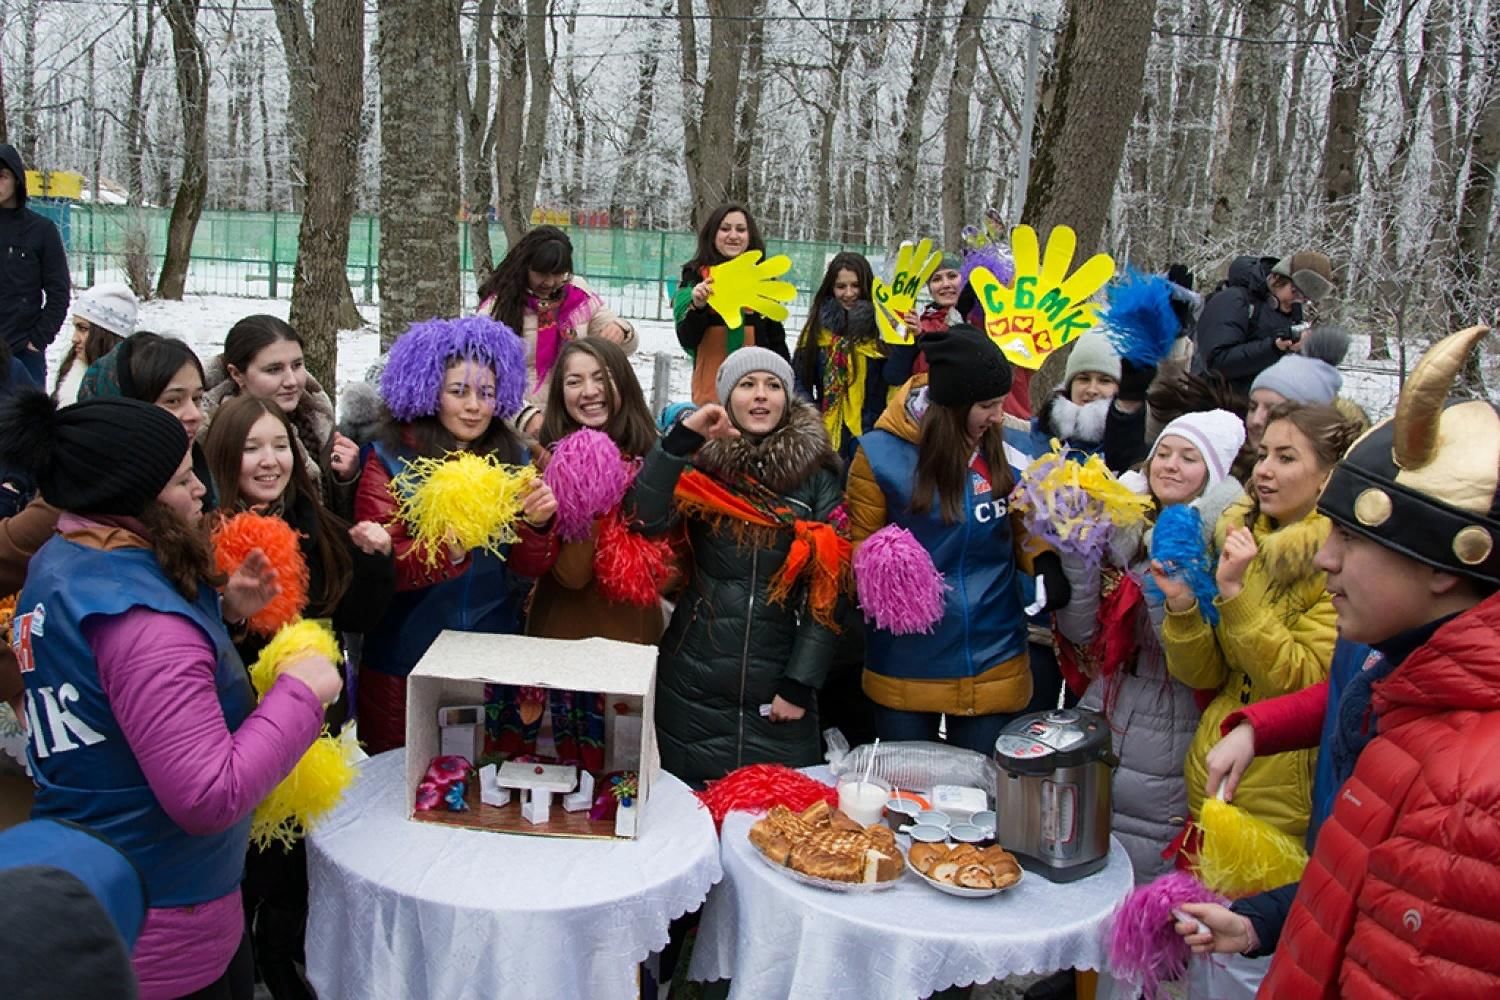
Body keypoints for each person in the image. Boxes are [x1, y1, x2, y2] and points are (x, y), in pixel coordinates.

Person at [1173, 325, 1500, 999]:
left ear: (1442, 567)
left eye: (1349, 537)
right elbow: (1367, 889)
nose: (1326, 557)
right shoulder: (1394, 649)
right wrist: (1266, 920)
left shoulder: (1473, 795)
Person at [0, 391, 340, 999]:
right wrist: (301, 695)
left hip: (98, 875)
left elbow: (113, 697)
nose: (201, 492)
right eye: (184, 481)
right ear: (133, 501)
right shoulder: (144, 627)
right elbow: (208, 794)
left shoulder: (63, 557)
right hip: (167, 922)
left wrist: (226, 612)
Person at [201, 394, 394, 999]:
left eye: (279, 445)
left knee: (298, 870)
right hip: (243, 734)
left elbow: (355, 614)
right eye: (252, 448)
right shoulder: (205, 535)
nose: (269, 461)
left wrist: (373, 560)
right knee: (252, 868)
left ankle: (282, 957)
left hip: (317, 734)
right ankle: (247, 961)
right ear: (224, 458)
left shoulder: (312, 518)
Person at [845, 325, 1071, 753]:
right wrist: (885, 569)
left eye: (999, 403)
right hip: (908, 659)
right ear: (953, 407)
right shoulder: (879, 455)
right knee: (908, 804)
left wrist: (1044, 564)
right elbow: (859, 545)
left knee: (979, 802)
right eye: (987, 405)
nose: (998, 416)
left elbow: (1024, 524)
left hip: (992, 654)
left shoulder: (1002, 446)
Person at [625, 347, 844, 786]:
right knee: (687, 821)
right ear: (727, 400)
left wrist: (800, 682)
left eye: (773, 385)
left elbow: (831, 585)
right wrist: (679, 443)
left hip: (778, 691)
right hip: (692, 685)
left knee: (773, 828)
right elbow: (642, 517)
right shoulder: (703, 464)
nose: (761, 396)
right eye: (747, 385)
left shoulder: (818, 475)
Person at [1054, 410, 1247, 883]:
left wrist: (1172, 586)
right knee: (1081, 853)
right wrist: (1078, 558)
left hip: (1173, 721)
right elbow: (1083, 635)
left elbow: (1197, 665)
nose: (1170, 466)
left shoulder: (1222, 540)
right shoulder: (1124, 525)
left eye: (1189, 458)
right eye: (1163, 453)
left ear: (1216, 473)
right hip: (1104, 705)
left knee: (1143, 862)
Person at [354, 316, 558, 755]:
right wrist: (447, 550)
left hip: (488, 652)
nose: (474, 407)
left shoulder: (515, 456)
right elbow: (381, 571)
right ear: (430, 392)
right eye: (458, 392)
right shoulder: (388, 459)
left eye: (486, 393)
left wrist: (538, 526)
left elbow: (528, 566)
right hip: (405, 659)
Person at [1156, 404, 1352, 852]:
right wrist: (1183, 602)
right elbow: (1203, 676)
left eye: (1286, 458)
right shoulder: (1237, 537)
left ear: (1328, 476)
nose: (1263, 470)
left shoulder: (1335, 561)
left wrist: (1236, 594)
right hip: (1213, 771)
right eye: (1263, 455)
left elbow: (1299, 682)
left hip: (1282, 791)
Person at [477, 225, 636, 433]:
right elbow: (483, 376)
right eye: (542, 274)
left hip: (577, 416)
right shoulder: (497, 308)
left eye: (559, 273)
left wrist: (622, 330)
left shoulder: (578, 294)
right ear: (524, 266)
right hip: (520, 425)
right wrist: (525, 417)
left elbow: (624, 346)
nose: (550, 282)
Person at [200, 315, 360, 511]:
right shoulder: (214, 432)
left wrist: (345, 478)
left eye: (297, 365)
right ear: (236, 374)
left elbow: (330, 519)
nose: (291, 381)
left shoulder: (316, 421)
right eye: (274, 369)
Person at [674, 203, 790, 405]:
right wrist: (698, 307)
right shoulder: (695, 277)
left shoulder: (762, 279)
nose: (733, 235)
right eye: (725, 228)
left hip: (756, 390)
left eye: (741, 229)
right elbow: (688, 340)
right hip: (710, 391)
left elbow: (775, 340)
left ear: (750, 235)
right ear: (712, 234)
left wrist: (785, 384)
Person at [1192, 251, 1334, 394]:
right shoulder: (1234, 299)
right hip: (1217, 405)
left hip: (1257, 407)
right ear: (1277, 277)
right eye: (1294, 291)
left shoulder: (1290, 314)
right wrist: (1274, 348)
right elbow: (1217, 363)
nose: (1297, 301)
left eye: (1304, 299)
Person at [791, 252, 885, 463]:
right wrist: (811, 415)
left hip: (873, 434)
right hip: (825, 432)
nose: (849, 293)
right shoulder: (816, 332)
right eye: (841, 287)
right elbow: (797, 380)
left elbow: (895, 378)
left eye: (855, 285)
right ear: (831, 289)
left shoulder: (882, 331)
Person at [0, 142, 70, 385]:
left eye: (2, 176)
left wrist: (38, 340)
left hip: (23, 350)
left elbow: (59, 291)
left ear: (17, 179)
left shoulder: (41, 230)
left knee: (30, 422)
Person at [1243, 323, 1350, 450]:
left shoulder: (1335, 469)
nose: (1256, 421)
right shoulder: (1227, 464)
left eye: (1273, 410)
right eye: (1253, 408)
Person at [883, 252, 962, 387]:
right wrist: (912, 338)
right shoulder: (920, 324)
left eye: (952, 276)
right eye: (936, 279)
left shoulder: (984, 318)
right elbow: (894, 376)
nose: (946, 284)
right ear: (930, 289)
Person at [52, 282, 137, 404]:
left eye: (83, 329)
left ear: (106, 335)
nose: (74, 338)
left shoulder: (129, 385)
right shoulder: (71, 369)